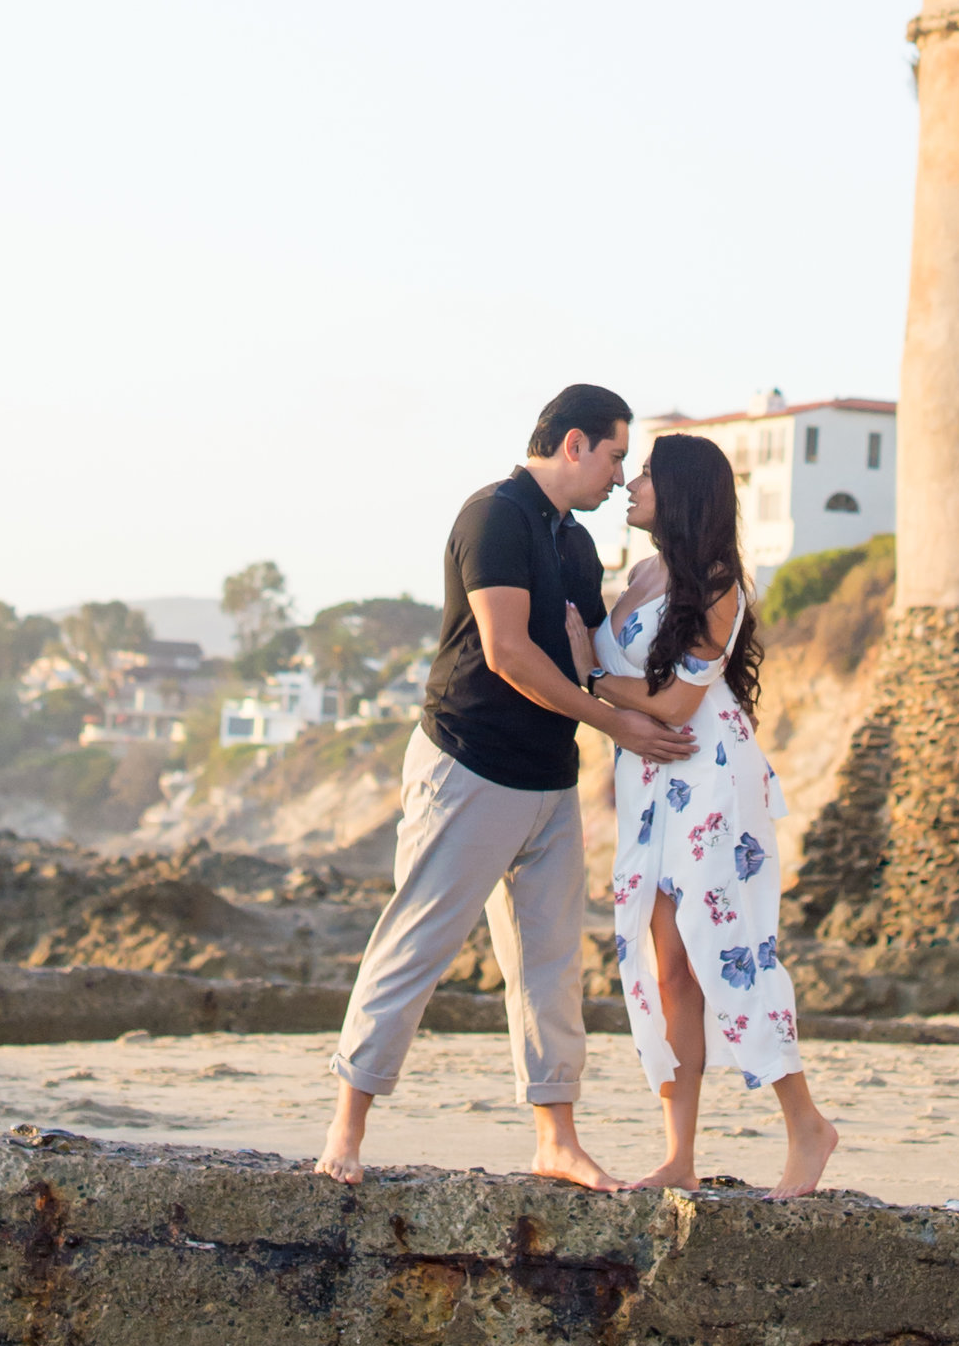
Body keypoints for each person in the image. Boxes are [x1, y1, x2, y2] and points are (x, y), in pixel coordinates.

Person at [315, 385, 698, 1189]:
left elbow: (589, 657)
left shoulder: (579, 547)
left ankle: (555, 1139)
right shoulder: (493, 515)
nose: (620, 477)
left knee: (551, 967)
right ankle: (345, 1130)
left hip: (549, 781)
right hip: (469, 764)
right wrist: (611, 723)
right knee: (415, 945)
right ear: (573, 445)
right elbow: (507, 653)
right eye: (616, 455)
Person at [583, 427, 841, 1198]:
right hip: (650, 783)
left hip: (711, 776)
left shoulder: (717, 584)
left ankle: (807, 1125)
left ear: (685, 491)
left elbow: (673, 701)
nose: (631, 485)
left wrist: (589, 674)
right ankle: (679, 1156)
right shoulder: (640, 571)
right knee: (666, 964)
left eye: (649, 476)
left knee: (725, 945)